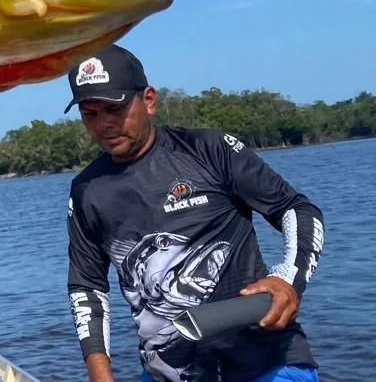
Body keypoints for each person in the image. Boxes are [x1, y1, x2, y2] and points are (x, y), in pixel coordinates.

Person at [63, 44, 325, 382]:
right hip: (170, 372)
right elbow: (87, 287)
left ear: (149, 100)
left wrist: (287, 279)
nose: (104, 124)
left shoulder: (208, 150)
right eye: (90, 114)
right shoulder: (87, 190)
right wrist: (100, 374)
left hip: (268, 364)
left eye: (115, 109)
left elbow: (297, 210)